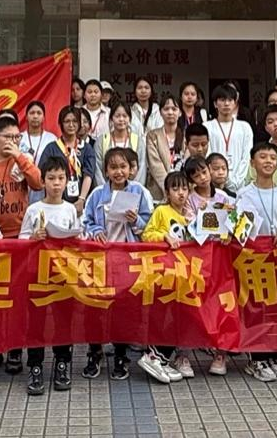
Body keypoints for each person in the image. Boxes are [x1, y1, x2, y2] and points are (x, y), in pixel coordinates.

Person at [82, 147, 150, 380]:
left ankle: (121, 354)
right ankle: (94, 352)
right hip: (100, 260)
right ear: (106, 171)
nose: (118, 171)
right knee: (95, 306)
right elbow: (86, 221)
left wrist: (136, 220)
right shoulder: (96, 194)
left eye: (123, 166)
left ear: (131, 169)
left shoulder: (139, 191)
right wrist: (96, 231)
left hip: (127, 260)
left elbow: (149, 225)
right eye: (113, 167)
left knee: (123, 307)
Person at [235, 143, 277, 383]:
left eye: (273, 157)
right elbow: (237, 226)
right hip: (254, 260)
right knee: (256, 309)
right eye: (263, 157)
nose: (268, 161)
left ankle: (274, 355)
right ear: (253, 163)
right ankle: (257, 359)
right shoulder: (243, 194)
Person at [22, 155, 84, 396]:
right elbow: (21, 241)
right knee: (36, 320)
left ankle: (62, 362)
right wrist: (33, 238)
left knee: (63, 319)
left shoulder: (70, 209)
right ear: (43, 181)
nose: (56, 183)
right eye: (51, 178)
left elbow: (79, 237)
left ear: (67, 180)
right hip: (37, 274)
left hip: (63, 274)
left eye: (61, 178)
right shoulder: (34, 209)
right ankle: (35, 365)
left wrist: (75, 239)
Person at [139, 171, 195, 383]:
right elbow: (146, 234)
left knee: (182, 317)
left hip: (186, 275)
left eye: (184, 188)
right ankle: (154, 355)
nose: (180, 193)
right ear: (167, 192)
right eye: (175, 188)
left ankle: (162, 359)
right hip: (164, 273)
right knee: (166, 316)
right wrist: (164, 236)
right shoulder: (162, 211)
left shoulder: (191, 216)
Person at [36, 106, 98, 214]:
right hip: (56, 205)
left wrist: (82, 199)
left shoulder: (86, 148)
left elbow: (89, 174)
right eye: (67, 121)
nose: (71, 125)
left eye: (75, 121)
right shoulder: (51, 148)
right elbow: (43, 175)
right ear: (61, 124)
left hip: (81, 205)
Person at [206, 83, 253, 181]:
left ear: (235, 103)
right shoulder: (207, 127)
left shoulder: (245, 127)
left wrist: (237, 181)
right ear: (215, 104)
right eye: (222, 100)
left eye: (230, 100)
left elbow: (246, 157)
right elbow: (207, 155)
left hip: (240, 182)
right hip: (214, 181)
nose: (226, 103)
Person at [145, 95, 185, 200]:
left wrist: (179, 190)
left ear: (180, 112)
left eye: (174, 109)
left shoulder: (186, 136)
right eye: (166, 109)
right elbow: (155, 165)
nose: (170, 112)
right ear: (160, 112)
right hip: (159, 191)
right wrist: (169, 189)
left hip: (183, 192)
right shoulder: (152, 135)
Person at [99, 103, 142, 184]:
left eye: (125, 116)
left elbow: (142, 170)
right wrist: (105, 189)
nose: (121, 119)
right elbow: (98, 170)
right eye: (117, 116)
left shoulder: (138, 141)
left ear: (130, 119)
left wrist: (134, 189)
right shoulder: (102, 140)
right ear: (111, 119)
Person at [130, 77, 163, 142]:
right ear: (135, 92)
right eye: (140, 88)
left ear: (151, 91)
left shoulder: (158, 110)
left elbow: (160, 131)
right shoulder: (130, 111)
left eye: (146, 88)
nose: (143, 91)